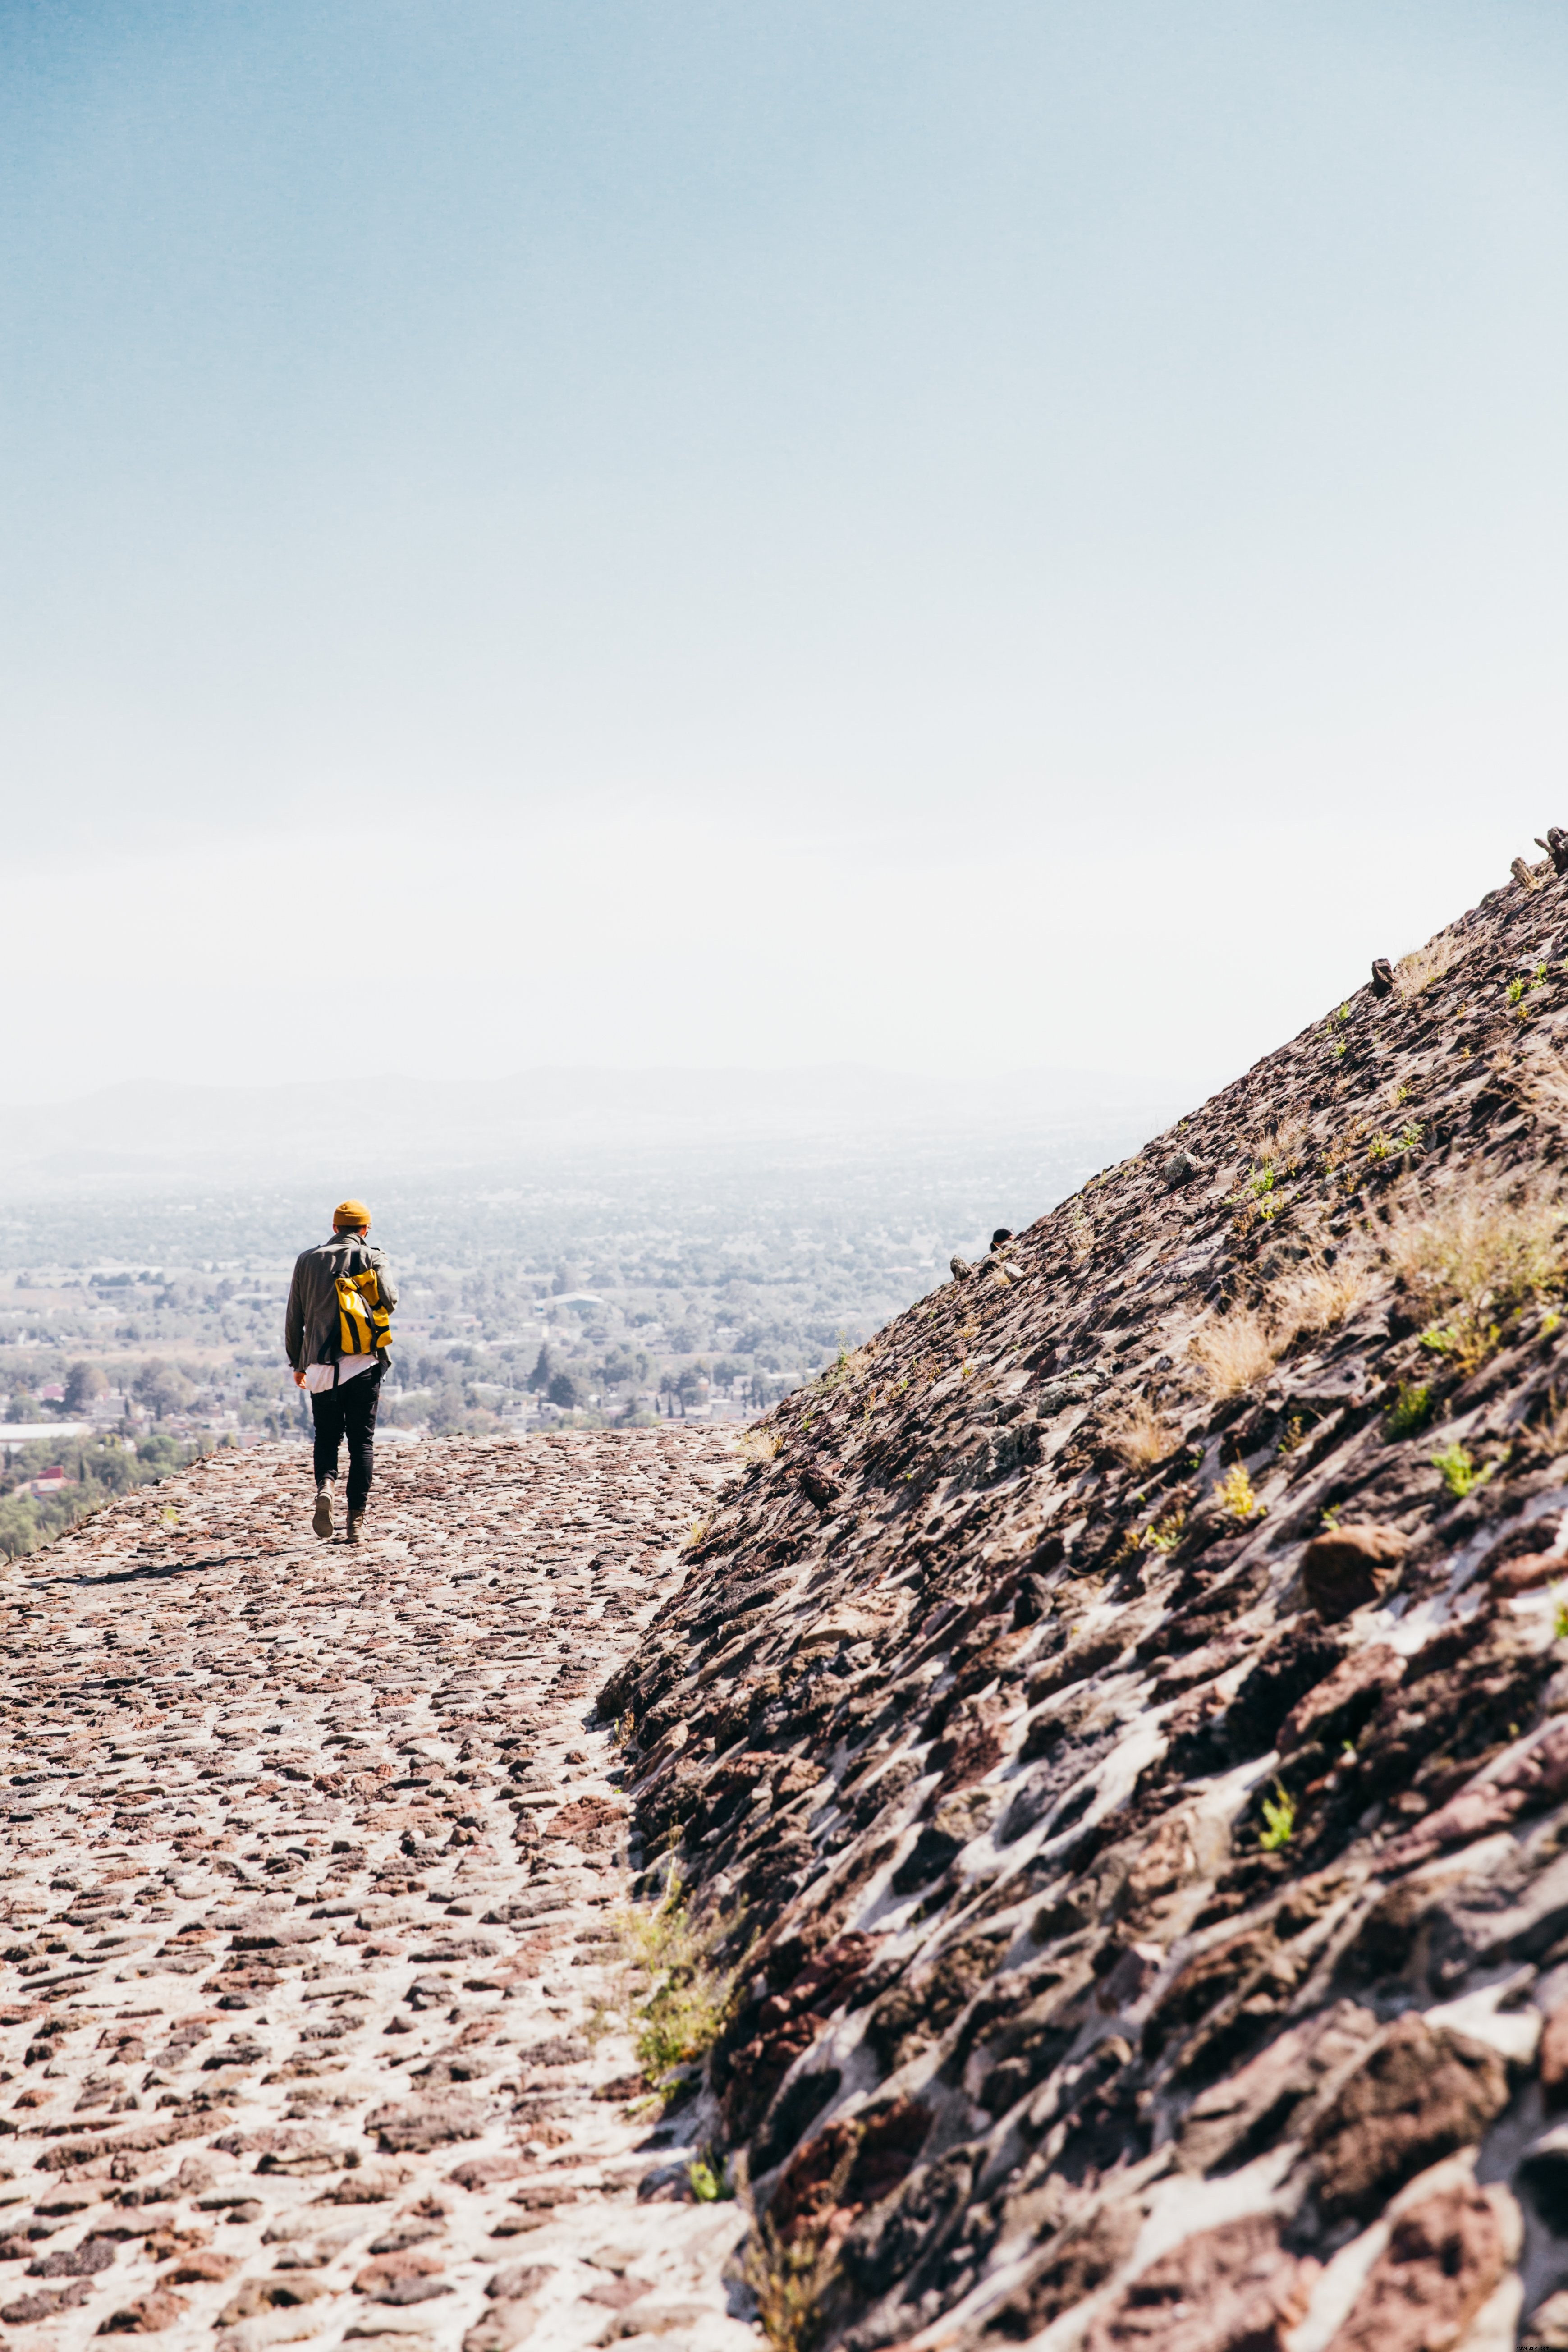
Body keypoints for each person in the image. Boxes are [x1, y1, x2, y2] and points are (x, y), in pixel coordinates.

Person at [284, 1199, 398, 1544]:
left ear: (334, 1228)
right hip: (363, 1362)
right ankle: (356, 1523)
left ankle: (327, 1487)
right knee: (362, 1442)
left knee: (327, 1437)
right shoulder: (373, 1256)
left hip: (320, 1366)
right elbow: (390, 1301)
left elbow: (295, 1318)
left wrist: (297, 1363)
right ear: (365, 1230)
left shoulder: (307, 1260)